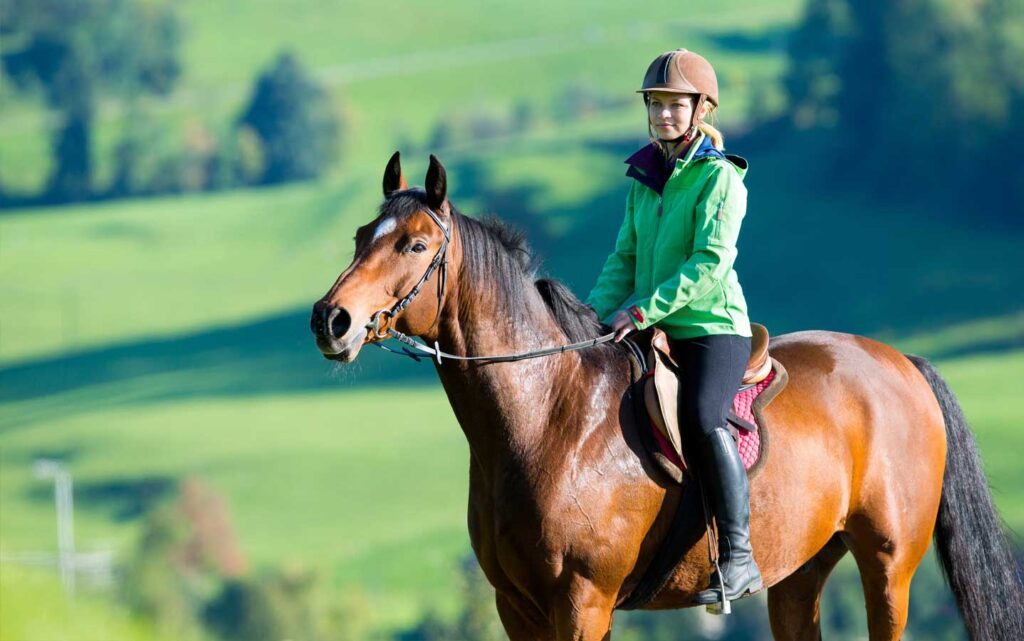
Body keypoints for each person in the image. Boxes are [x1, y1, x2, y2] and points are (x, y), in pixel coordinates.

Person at [585, 48, 762, 605]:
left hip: (712, 326)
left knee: (705, 415)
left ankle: (739, 556)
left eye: (674, 105)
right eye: (655, 104)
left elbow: (709, 265)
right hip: (653, 322)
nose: (662, 114)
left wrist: (639, 312)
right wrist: (587, 322)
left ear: (700, 108)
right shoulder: (644, 179)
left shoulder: (721, 179)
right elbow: (624, 258)